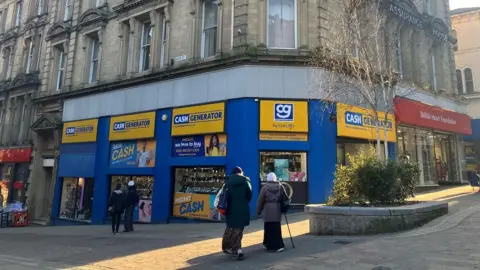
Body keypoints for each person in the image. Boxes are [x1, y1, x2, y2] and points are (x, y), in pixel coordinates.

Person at [222, 166, 252, 261]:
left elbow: (224, 196)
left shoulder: (227, 182)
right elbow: (249, 195)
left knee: (231, 229)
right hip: (242, 209)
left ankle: (233, 248)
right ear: (241, 172)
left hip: (230, 209)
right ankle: (237, 250)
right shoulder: (246, 181)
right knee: (239, 230)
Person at [256, 172, 287, 252]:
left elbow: (260, 200)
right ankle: (278, 245)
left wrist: (258, 211)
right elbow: (285, 198)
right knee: (276, 228)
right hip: (277, 208)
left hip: (268, 209)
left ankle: (268, 244)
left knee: (268, 227)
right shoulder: (280, 186)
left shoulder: (265, 187)